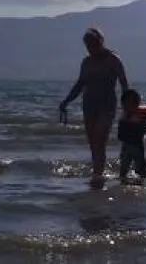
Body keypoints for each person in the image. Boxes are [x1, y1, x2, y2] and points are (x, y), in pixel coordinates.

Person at [58, 27, 129, 184]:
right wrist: (66, 101)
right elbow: (80, 84)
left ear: (100, 42)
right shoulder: (87, 62)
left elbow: (124, 82)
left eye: (92, 44)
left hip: (107, 103)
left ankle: (99, 172)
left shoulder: (113, 59)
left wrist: (128, 106)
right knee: (92, 141)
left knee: (100, 137)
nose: (90, 48)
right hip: (89, 103)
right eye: (87, 45)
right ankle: (98, 172)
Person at [116, 88, 146, 183]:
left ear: (137, 104)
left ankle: (145, 181)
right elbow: (120, 132)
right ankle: (123, 183)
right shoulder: (124, 116)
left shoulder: (142, 117)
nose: (126, 107)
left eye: (131, 104)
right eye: (124, 104)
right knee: (123, 168)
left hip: (137, 147)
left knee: (141, 168)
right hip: (125, 146)